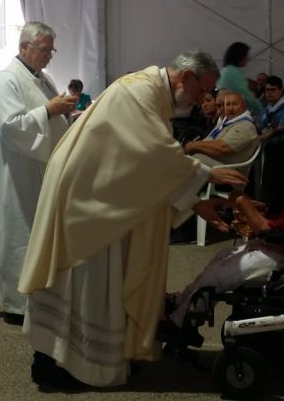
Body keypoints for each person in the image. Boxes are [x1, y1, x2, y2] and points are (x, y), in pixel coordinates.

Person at [18, 51, 248, 390]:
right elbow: (155, 153)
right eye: (203, 91)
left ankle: (80, 360)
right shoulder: (139, 92)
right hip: (86, 204)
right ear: (186, 78)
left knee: (92, 284)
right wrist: (206, 175)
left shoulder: (152, 94)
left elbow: (146, 162)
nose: (204, 100)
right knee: (82, 283)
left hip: (100, 196)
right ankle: (60, 365)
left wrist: (197, 201)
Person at [167, 129, 284, 330]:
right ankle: (182, 302)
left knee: (220, 273)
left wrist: (242, 202)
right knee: (223, 255)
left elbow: (267, 230)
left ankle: (180, 321)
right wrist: (252, 206)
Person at [0, 22, 76, 325]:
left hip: (39, 166)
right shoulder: (8, 79)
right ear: (24, 48)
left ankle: (36, 296)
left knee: (36, 233)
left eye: (51, 50)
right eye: (44, 50)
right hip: (17, 173)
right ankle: (17, 305)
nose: (49, 56)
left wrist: (63, 110)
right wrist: (49, 110)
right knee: (20, 233)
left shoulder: (41, 78)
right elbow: (11, 126)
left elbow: (47, 112)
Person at [183, 90, 258, 167]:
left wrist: (193, 146)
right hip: (211, 164)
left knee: (186, 162)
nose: (231, 108)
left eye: (235, 104)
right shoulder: (226, 122)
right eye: (228, 105)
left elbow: (221, 149)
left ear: (244, 106)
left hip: (226, 169)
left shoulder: (246, 125)